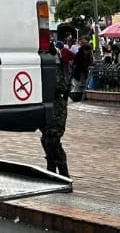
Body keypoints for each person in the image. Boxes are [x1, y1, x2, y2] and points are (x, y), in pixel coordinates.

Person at [40, 42, 70, 177]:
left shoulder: (57, 66)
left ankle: (64, 174)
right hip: (46, 106)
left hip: (57, 108)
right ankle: (51, 170)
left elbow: (62, 86)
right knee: (46, 139)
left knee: (52, 140)